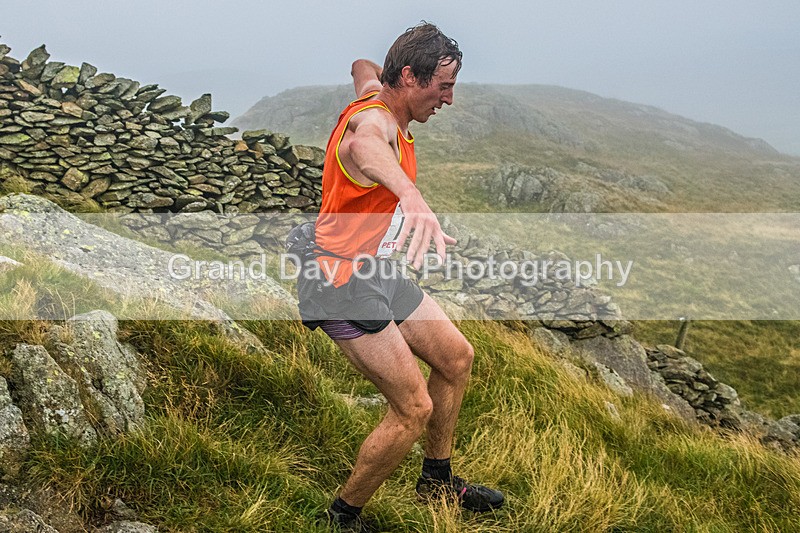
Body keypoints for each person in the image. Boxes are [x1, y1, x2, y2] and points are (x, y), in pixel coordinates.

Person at [295, 22, 504, 532]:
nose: (449, 99)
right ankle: (344, 516)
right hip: (339, 280)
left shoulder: (377, 89)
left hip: (377, 268)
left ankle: (436, 481)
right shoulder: (373, 125)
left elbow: (361, 68)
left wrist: (368, 69)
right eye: (444, 86)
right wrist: (410, 196)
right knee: (413, 407)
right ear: (411, 77)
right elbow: (365, 148)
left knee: (456, 357)